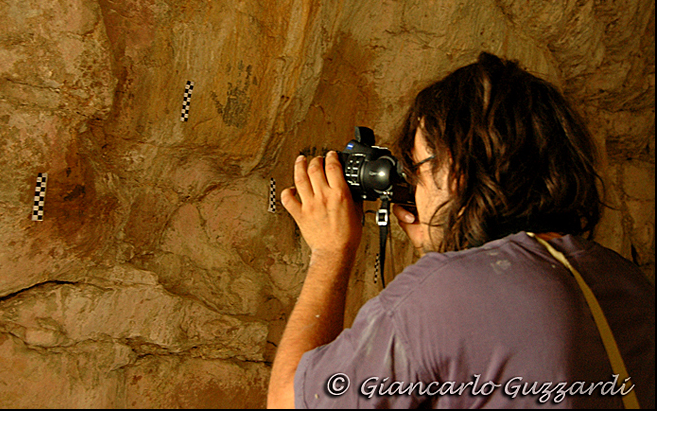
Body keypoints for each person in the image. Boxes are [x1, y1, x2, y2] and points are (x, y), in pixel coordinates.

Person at [266, 53, 656, 409]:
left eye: (417, 167)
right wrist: (439, 240)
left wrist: (331, 253)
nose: (413, 190)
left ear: (454, 166)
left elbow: (291, 408)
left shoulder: (446, 292)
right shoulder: (628, 283)